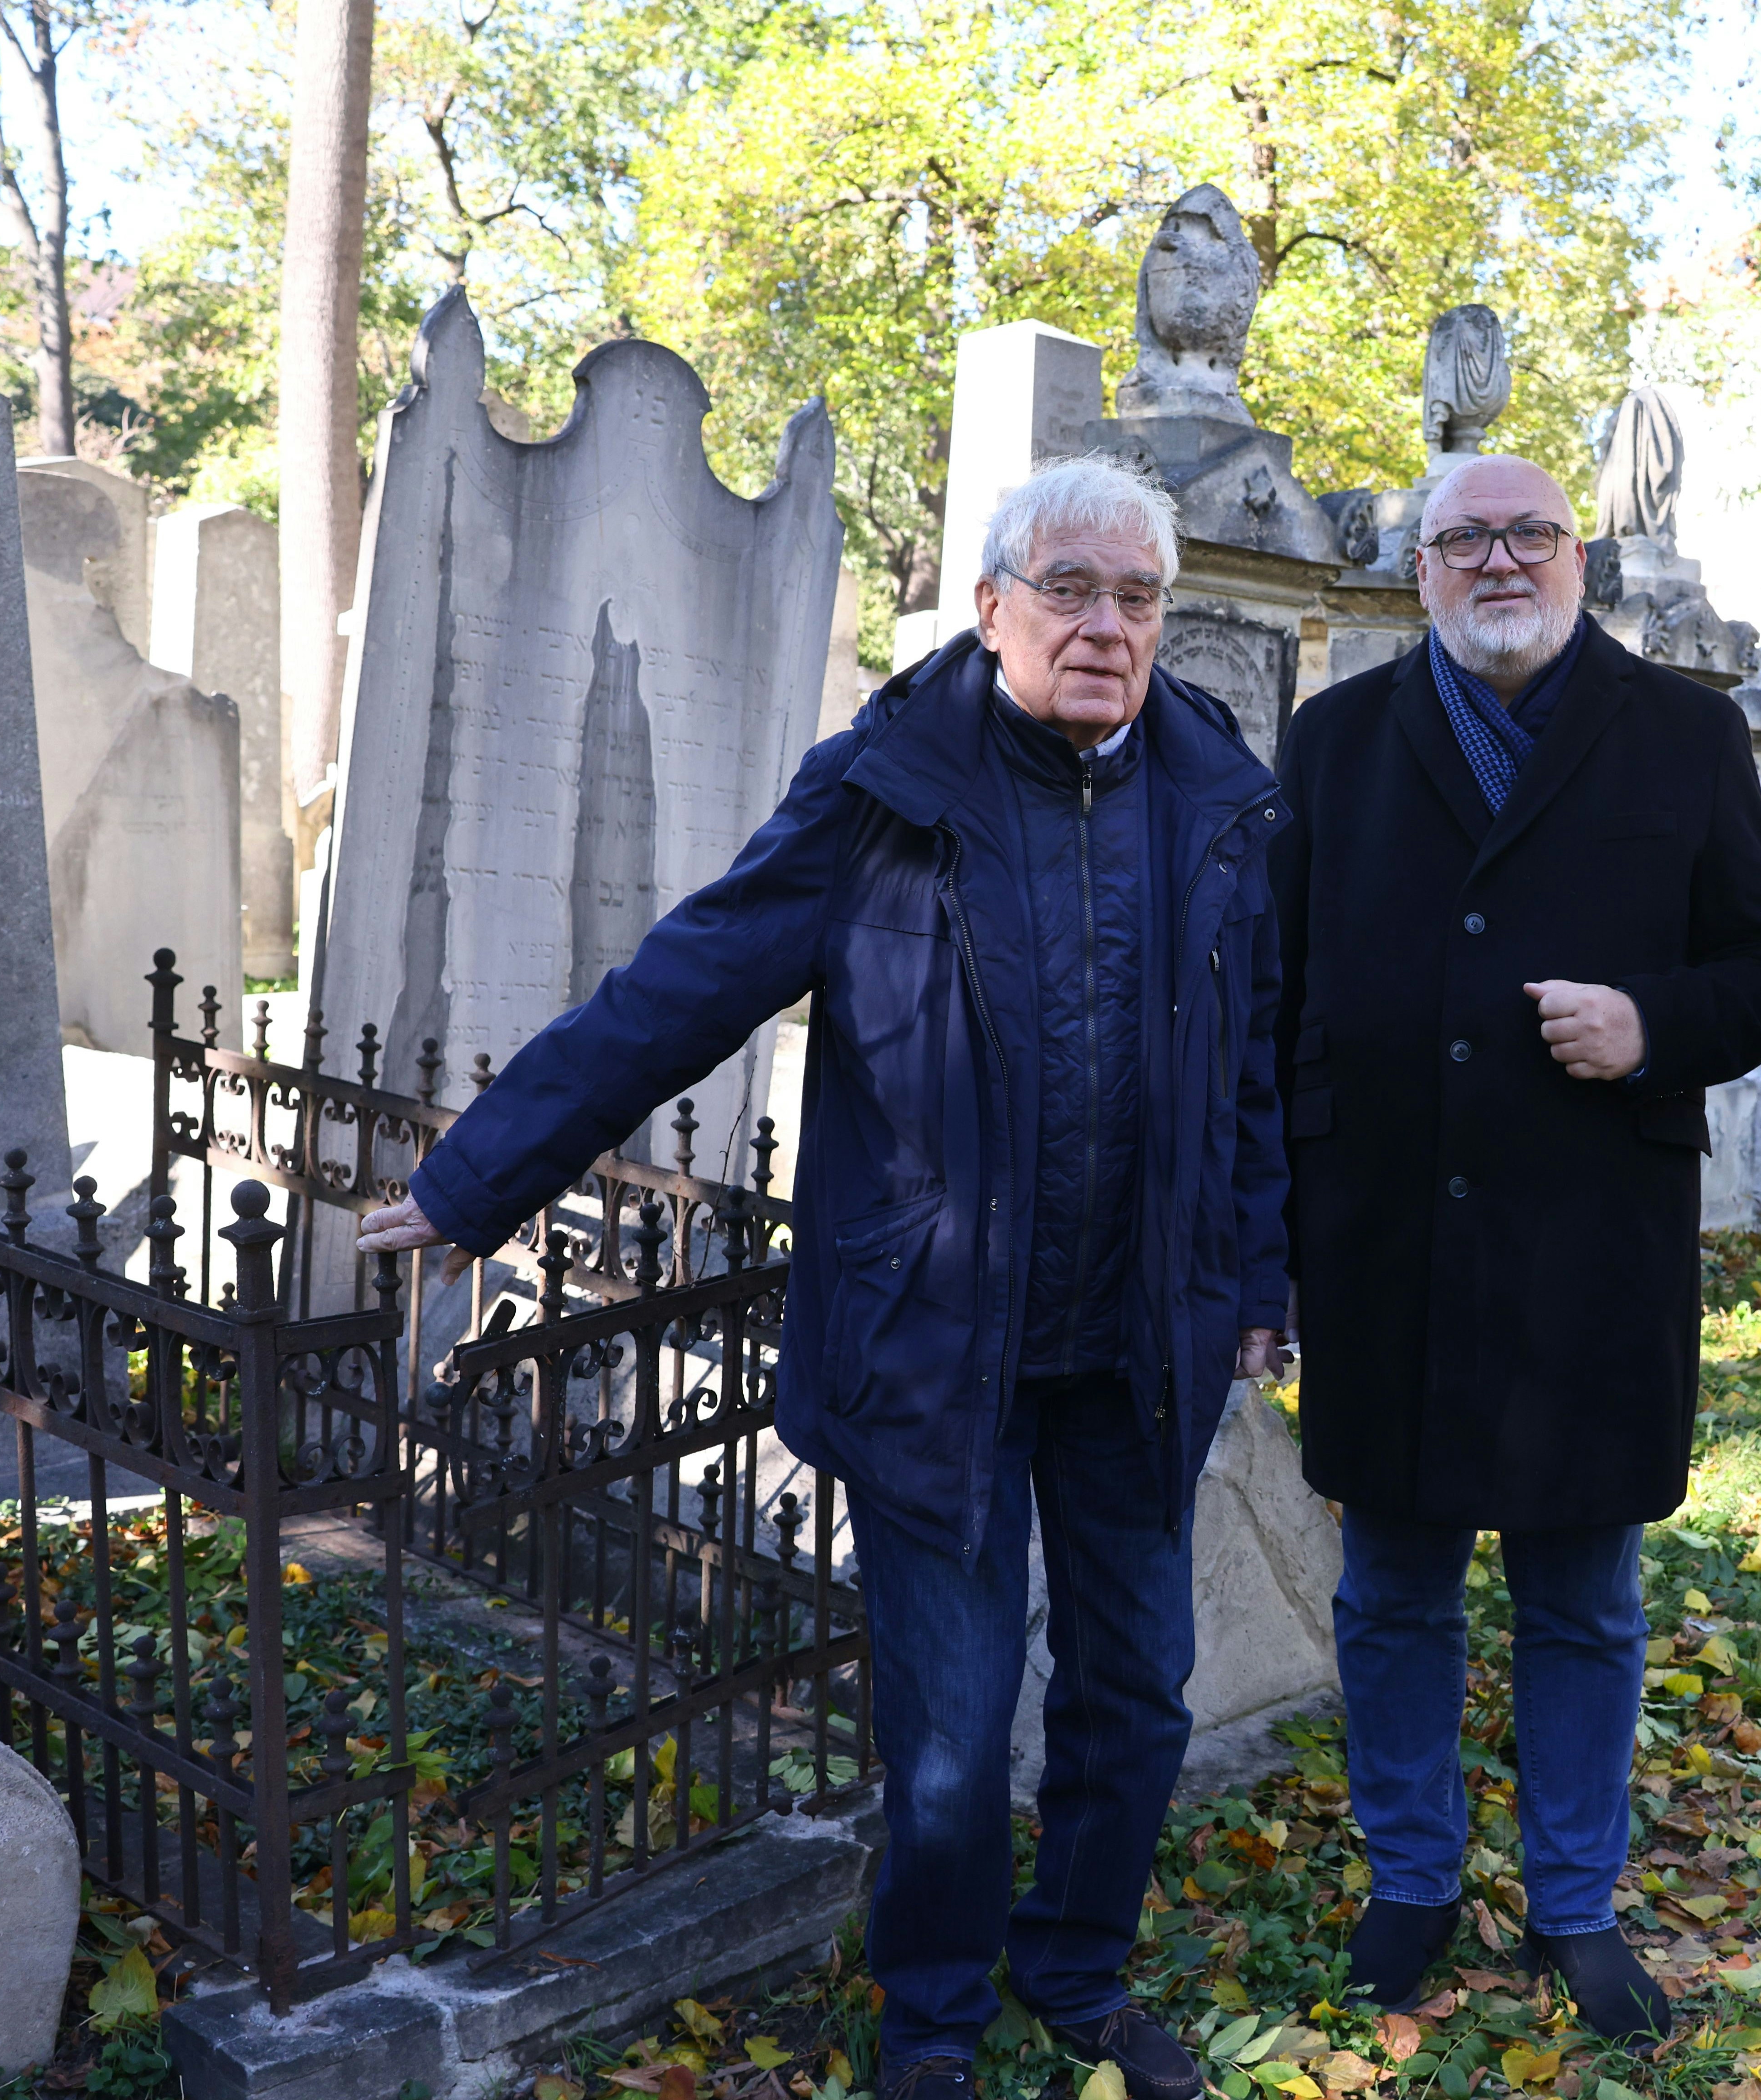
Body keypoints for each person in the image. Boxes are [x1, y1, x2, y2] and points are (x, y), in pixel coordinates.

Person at [353, 455, 1289, 2100]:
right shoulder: (884, 795)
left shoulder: (1218, 803)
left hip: (1142, 1343)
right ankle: (931, 2020)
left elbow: (1260, 1075)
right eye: (1070, 589)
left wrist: (1264, 1280)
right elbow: (679, 990)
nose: (1106, 626)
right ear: (991, 605)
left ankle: (1076, 1973)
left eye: (1136, 598)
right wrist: (477, 1176)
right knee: (949, 1727)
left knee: (1137, 1699)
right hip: (935, 1343)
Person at [1267, 453, 1761, 2039]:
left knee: (1584, 1594)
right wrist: (1277, 1235)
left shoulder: (1684, 734)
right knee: (1393, 1590)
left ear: (1576, 558)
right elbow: (1278, 995)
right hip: (1385, 1234)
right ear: (1421, 568)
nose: (1500, 561)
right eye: (1466, 540)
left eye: (1530, 534)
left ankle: (1575, 1905)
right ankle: (1415, 1882)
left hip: (1592, 1242)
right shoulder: (1338, 741)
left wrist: (1655, 1021)